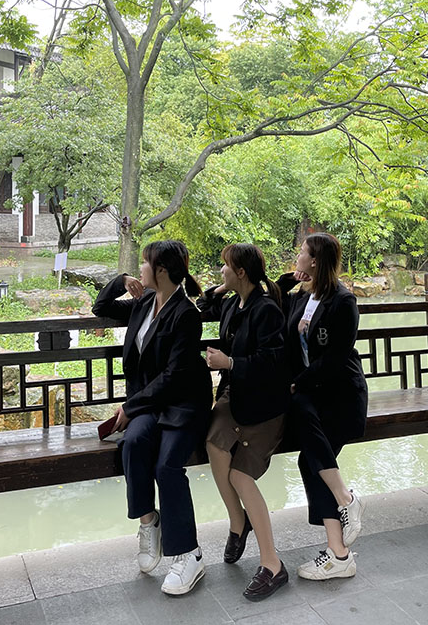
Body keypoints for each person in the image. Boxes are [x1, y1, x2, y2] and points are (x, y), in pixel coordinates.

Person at [92, 240, 212, 596]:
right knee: (132, 443)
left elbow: (175, 376)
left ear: (161, 270)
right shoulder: (144, 302)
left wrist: (130, 407)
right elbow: (101, 307)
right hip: (150, 404)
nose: (141, 268)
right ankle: (149, 522)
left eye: (145, 263)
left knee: (167, 466)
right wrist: (121, 280)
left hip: (183, 404)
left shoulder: (186, 314)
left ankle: (189, 555)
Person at [197, 243, 290, 601]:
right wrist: (222, 288)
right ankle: (239, 521)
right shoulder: (230, 303)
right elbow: (201, 304)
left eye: (226, 267)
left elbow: (273, 363)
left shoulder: (266, 310)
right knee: (214, 444)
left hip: (265, 407)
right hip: (235, 398)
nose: (220, 270)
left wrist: (231, 363)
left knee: (239, 475)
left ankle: (272, 565)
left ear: (242, 272)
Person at [277, 233, 368, 580]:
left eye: (302, 252)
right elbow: (272, 298)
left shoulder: (343, 301)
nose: (297, 255)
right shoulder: (303, 296)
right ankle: (340, 542)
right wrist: (290, 279)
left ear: (314, 261)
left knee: (308, 456)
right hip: (311, 396)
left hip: (341, 397)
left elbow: (335, 358)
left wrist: (297, 383)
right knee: (308, 458)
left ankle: (340, 544)